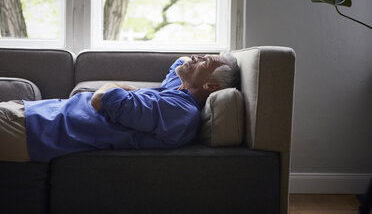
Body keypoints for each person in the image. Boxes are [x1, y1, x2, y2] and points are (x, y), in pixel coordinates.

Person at [0, 53, 239, 163]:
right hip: (30, 116)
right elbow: (181, 62)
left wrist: (118, 85)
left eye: (204, 61)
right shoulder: (179, 92)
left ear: (210, 85)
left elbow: (100, 100)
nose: (195, 58)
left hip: (30, 129)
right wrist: (200, 67)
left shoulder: (179, 112)